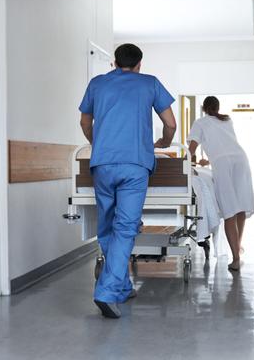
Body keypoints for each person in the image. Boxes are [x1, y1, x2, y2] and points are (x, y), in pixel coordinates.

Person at [79, 43, 176, 319]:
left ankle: (121, 285)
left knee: (107, 226)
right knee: (125, 227)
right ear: (139, 64)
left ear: (113, 62)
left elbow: (85, 122)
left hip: (102, 165)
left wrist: (99, 144)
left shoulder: (97, 84)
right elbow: (170, 124)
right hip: (135, 165)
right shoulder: (150, 84)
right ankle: (107, 292)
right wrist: (164, 142)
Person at [187, 96, 254, 272]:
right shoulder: (227, 120)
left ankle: (236, 259)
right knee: (240, 207)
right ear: (217, 107)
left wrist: (189, 164)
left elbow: (191, 150)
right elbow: (227, 149)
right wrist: (208, 162)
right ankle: (237, 248)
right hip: (241, 159)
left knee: (229, 210)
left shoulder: (200, 123)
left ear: (203, 108)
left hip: (223, 163)